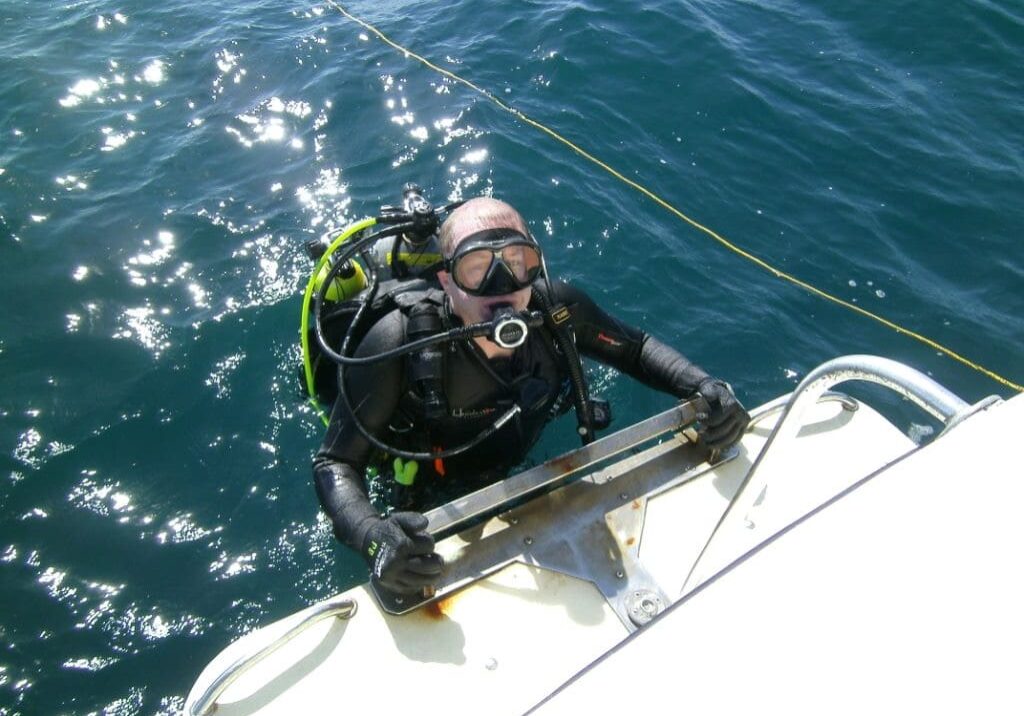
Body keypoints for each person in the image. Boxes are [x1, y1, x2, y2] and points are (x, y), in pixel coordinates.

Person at [312, 197, 749, 595]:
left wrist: (705, 386)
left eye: (516, 262)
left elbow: (635, 349)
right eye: (477, 267)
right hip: (429, 479)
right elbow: (336, 462)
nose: (502, 285)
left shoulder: (556, 310)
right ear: (446, 280)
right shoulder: (398, 343)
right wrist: (374, 538)